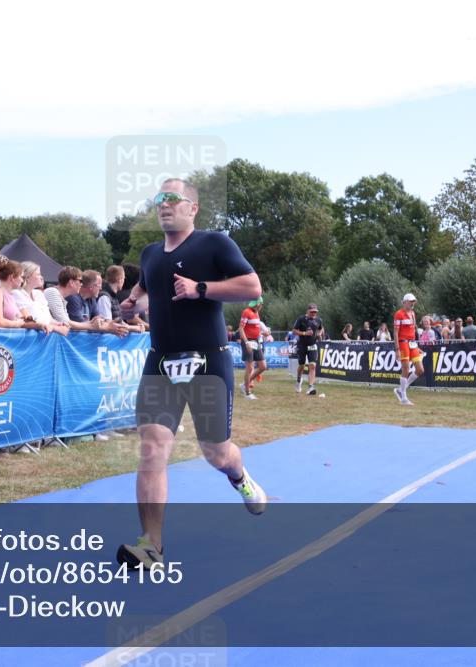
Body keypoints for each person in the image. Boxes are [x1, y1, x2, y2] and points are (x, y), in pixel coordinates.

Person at [117, 178, 266, 568]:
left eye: (172, 198)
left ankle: (240, 477)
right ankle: (151, 546)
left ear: (192, 208)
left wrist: (201, 288)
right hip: (160, 362)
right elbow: (145, 290)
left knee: (216, 453)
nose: (163, 205)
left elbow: (252, 287)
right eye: (158, 199)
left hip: (207, 361)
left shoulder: (214, 243)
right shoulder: (149, 254)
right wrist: (133, 305)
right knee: (151, 449)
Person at [0, 260, 55, 334]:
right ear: (12, 277)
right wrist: (17, 324)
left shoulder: (10, 295)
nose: (22, 280)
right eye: (21, 276)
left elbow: (22, 321)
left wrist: (39, 325)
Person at [13, 261, 69, 335]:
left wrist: (60, 324)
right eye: (38, 274)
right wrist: (55, 328)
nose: (42, 277)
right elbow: (28, 321)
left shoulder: (39, 293)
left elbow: (49, 319)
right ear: (27, 277)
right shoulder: (17, 293)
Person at [393, 293, 424, 406]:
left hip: (412, 343)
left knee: (420, 369)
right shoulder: (398, 314)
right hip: (403, 343)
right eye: (410, 301)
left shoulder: (413, 313)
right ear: (404, 302)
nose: (412, 303)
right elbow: (396, 333)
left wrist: (416, 345)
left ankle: (401, 390)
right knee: (405, 369)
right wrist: (397, 349)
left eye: (413, 301)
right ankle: (404, 398)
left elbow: (413, 331)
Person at [292, 303, 324, 396]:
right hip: (302, 345)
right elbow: (294, 331)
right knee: (301, 365)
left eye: (315, 312)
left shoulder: (318, 320)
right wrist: (304, 333)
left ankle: (311, 387)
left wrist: (319, 334)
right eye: (312, 312)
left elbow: (321, 328)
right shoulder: (301, 319)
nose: (314, 313)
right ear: (308, 311)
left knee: (312, 365)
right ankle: (298, 380)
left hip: (313, 345)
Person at [238, 297, 266, 398]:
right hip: (248, 341)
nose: (262, 306)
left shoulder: (257, 313)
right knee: (250, 368)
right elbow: (241, 328)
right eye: (261, 304)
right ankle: (247, 392)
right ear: (258, 304)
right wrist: (246, 343)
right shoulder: (246, 312)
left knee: (263, 366)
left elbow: (255, 328)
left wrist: (263, 333)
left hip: (256, 341)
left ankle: (244, 384)